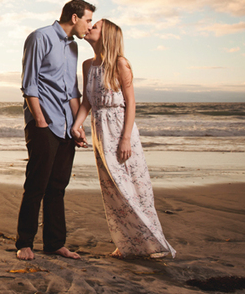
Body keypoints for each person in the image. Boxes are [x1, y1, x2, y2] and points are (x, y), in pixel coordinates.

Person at [72, 19, 175, 259]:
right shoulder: (88, 65)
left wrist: (126, 139)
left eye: (94, 27)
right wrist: (77, 126)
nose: (89, 28)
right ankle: (127, 243)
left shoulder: (120, 64)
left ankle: (152, 242)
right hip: (100, 131)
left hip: (119, 129)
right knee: (112, 189)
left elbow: (131, 103)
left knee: (132, 186)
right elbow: (87, 102)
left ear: (106, 36)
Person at [16, 0, 95, 261]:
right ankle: (24, 243)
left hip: (64, 127)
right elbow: (29, 84)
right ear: (74, 17)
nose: (89, 26)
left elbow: (72, 91)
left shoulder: (73, 48)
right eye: (88, 20)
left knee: (58, 185)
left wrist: (77, 125)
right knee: (37, 183)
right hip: (43, 123)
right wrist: (39, 120)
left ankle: (54, 244)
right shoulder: (40, 37)